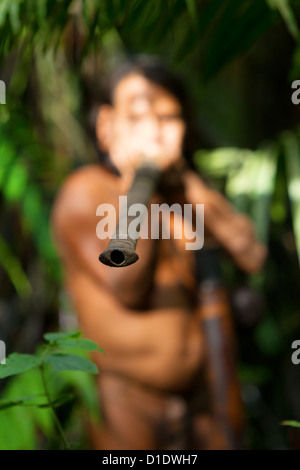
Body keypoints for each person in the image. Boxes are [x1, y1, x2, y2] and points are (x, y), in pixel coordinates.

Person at [51, 56, 267, 450]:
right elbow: (125, 282)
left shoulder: (182, 196)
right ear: (106, 127)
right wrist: (143, 177)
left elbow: (251, 254)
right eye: (136, 119)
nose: (154, 132)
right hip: (127, 405)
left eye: (168, 119)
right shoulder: (86, 191)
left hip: (201, 402)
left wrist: (184, 181)